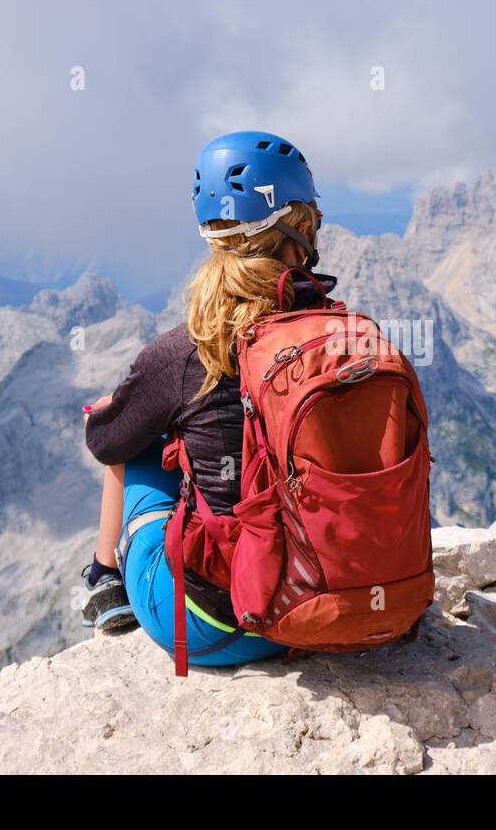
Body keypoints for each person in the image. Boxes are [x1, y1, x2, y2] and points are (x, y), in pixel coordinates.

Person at [80, 130, 330, 667]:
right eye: (313, 222)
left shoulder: (182, 354)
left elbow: (106, 443)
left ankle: (103, 581)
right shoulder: (337, 337)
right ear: (298, 229)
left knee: (140, 439)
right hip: (326, 602)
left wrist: (113, 411)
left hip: (219, 625)